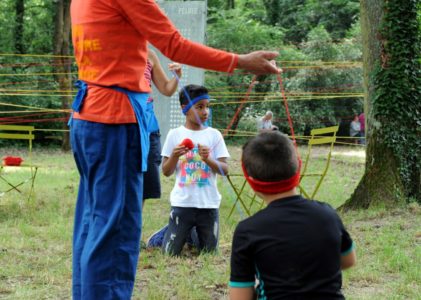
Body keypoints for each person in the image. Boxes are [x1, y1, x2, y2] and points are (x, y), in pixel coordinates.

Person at [70, 0, 279, 298]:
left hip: (89, 117)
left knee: (93, 223)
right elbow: (175, 44)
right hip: (115, 121)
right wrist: (240, 61)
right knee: (115, 231)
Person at [229, 131, 356, 299]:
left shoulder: (247, 231)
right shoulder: (328, 214)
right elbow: (348, 261)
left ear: (250, 180)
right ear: (298, 168)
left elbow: (240, 297)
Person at [154, 84, 229, 256]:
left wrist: (208, 159)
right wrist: (174, 156)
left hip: (208, 205)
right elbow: (166, 171)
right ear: (185, 109)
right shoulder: (175, 134)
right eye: (200, 107)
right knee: (169, 254)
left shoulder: (214, 135)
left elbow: (225, 170)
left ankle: (190, 234)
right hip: (182, 204)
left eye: (207, 106)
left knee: (209, 253)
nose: (205, 112)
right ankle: (169, 232)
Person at [142, 49, 181, 206]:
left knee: (143, 187)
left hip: (148, 126)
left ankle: (134, 227)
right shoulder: (113, 48)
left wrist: (177, 76)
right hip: (122, 126)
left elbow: (166, 88)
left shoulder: (149, 54)